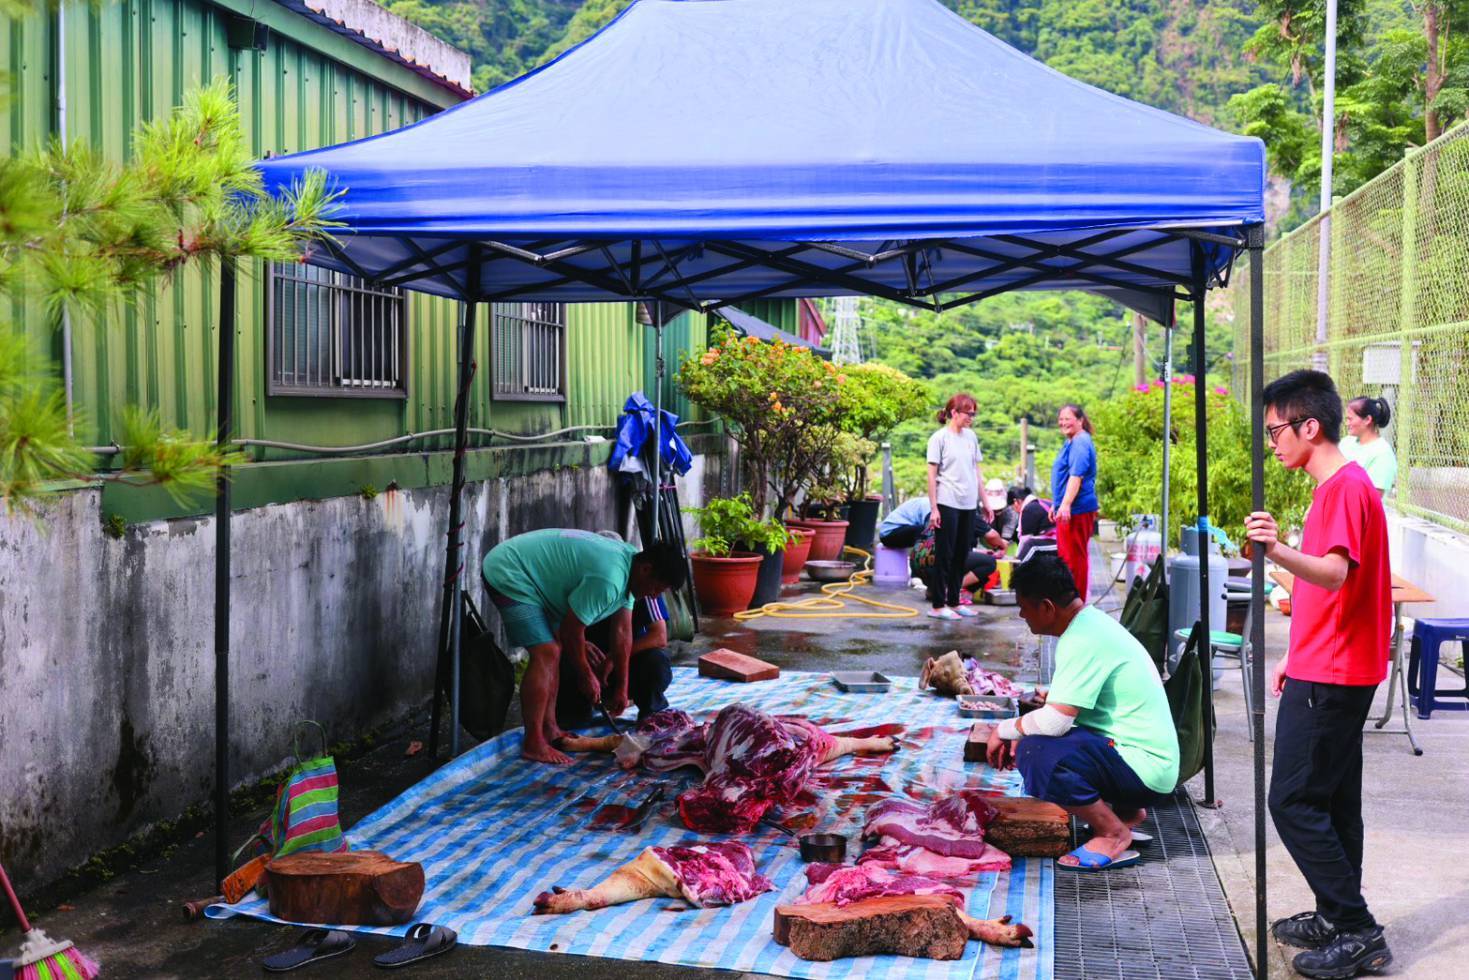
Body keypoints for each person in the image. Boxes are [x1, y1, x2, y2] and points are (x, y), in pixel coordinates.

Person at [1244, 370, 1393, 979]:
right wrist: (1293, 651)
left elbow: (1332, 573)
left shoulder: (1341, 489)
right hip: (1328, 660)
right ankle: (1338, 914)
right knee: (1332, 801)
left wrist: (1274, 549)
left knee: (1294, 801)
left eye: (1276, 430)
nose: (1272, 443)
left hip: (1334, 672)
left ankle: (1356, 928)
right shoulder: (1343, 485)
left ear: (1310, 426)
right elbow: (1335, 588)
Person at [985, 553, 1178, 871]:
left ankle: (1113, 832)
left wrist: (1004, 730)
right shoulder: (1092, 624)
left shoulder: (1082, 638)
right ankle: (1128, 814)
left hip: (1146, 770)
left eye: (1024, 606)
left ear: (1047, 607)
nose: (1021, 614)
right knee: (1036, 735)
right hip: (1150, 761)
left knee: (1036, 752)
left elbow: (1055, 721)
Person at [482, 528, 687, 765]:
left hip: (530, 574)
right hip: (509, 570)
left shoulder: (630, 566)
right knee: (546, 652)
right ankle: (533, 742)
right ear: (646, 569)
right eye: (656, 589)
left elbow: (622, 633)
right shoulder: (610, 579)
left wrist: (622, 686)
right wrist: (586, 675)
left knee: (554, 650)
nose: (654, 596)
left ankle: (550, 729)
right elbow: (571, 630)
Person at [559, 594, 673, 728]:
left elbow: (659, 636)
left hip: (625, 667)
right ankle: (575, 712)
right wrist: (577, 643)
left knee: (655, 662)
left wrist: (615, 658)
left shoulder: (642, 586)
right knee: (559, 657)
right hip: (585, 666)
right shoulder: (581, 582)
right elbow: (550, 625)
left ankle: (651, 711)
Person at [926, 393, 987, 620]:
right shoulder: (939, 438)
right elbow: (932, 476)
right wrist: (934, 508)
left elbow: (976, 472)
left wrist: (985, 502)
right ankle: (938, 605)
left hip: (968, 503)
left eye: (974, 413)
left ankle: (954, 600)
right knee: (946, 553)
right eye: (968, 413)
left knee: (962, 552)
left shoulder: (970, 437)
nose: (971, 417)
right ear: (954, 413)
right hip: (947, 501)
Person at [881, 497, 1005, 606]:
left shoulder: (941, 508)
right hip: (895, 534)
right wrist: (1003, 544)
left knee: (979, 572)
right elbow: (992, 536)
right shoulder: (961, 512)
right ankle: (947, 590)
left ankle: (933, 589)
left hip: (921, 566)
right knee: (989, 563)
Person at [1051, 403, 1099, 599]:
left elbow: (1076, 476)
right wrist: (1056, 503)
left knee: (1075, 558)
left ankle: (1075, 602)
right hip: (1068, 508)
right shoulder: (1071, 441)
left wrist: (1065, 504)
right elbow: (1062, 476)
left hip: (1077, 510)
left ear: (1080, 421)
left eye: (1068, 419)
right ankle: (1069, 599)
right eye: (1061, 419)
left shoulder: (1080, 442)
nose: (1063, 423)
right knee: (1067, 557)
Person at [1340, 396, 1397, 496]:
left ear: (1367, 419)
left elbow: (1373, 498)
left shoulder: (1383, 453)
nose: (1346, 423)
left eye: (1350, 419)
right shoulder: (1346, 442)